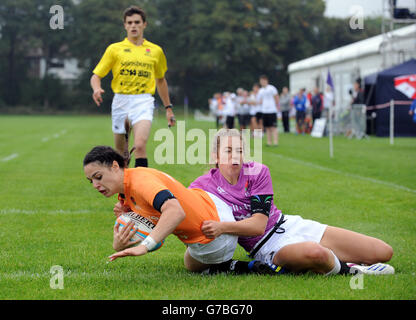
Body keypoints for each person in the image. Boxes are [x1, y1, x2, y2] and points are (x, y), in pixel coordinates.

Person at [189, 129, 395, 276]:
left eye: (240, 150)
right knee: (316, 253)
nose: (236, 156)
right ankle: (353, 270)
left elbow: (258, 224)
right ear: (215, 156)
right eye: (228, 151)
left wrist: (221, 227)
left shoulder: (258, 171)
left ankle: (338, 261)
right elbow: (182, 208)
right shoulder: (202, 185)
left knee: (383, 252)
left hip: (288, 224)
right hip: (267, 247)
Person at [83, 145, 274, 275]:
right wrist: (121, 244)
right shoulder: (128, 189)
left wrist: (144, 245)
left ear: (115, 166)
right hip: (211, 210)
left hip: (215, 231)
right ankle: (243, 266)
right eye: (91, 181)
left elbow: (175, 213)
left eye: (98, 177)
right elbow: (159, 238)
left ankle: (225, 263)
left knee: (196, 261)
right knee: (190, 263)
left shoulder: (140, 182)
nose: (95, 185)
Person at [90, 6, 175, 168]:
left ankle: (141, 190)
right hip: (120, 101)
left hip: (143, 100)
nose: (133, 26)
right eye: (129, 23)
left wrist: (168, 108)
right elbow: (96, 76)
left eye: (137, 22)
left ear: (145, 24)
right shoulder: (114, 49)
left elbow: (161, 81)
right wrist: (96, 88)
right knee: (121, 154)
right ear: (125, 25)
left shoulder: (156, 51)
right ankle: (124, 191)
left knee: (140, 145)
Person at [257, 75, 279, 146]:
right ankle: (269, 142)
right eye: (261, 81)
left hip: (272, 111)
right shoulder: (260, 90)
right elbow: (259, 100)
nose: (262, 82)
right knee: (267, 127)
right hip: (264, 111)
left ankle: (275, 142)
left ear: (266, 81)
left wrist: (276, 106)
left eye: (263, 81)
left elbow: (276, 98)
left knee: (273, 127)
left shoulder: (272, 88)